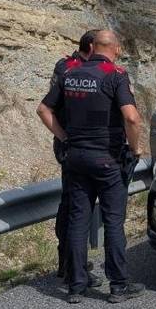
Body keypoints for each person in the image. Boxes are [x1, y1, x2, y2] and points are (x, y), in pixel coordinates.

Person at [37, 30, 146, 304]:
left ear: (92, 47)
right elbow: (131, 118)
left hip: (75, 158)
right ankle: (118, 285)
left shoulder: (69, 73)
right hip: (107, 160)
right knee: (113, 222)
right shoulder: (116, 75)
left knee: (77, 221)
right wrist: (135, 149)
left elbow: (43, 110)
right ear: (116, 49)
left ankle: (76, 286)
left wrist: (64, 137)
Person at [50, 31, 101, 287]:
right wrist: (65, 138)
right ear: (92, 47)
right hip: (74, 146)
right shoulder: (70, 68)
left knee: (72, 204)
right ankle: (71, 267)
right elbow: (49, 108)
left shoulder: (69, 67)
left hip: (75, 145)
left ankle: (70, 261)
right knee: (74, 206)